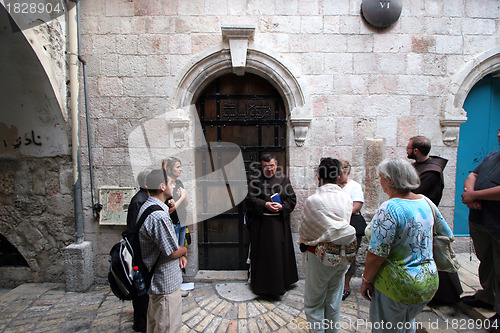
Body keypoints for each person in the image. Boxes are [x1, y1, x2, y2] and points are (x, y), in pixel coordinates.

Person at [361, 158, 453, 333]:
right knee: (407, 322)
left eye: (380, 177)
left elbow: (377, 254)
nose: (379, 182)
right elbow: (446, 234)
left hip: (398, 284)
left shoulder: (389, 208)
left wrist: (366, 280)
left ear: (389, 179)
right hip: (427, 280)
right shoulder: (425, 202)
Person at [299, 157, 357, 332]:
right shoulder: (346, 198)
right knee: (333, 301)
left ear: (318, 176)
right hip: (341, 256)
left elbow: (306, 232)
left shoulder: (313, 201)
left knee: (314, 303)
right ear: (339, 175)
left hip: (319, 256)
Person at [406, 136, 463, 305]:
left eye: (408, 148)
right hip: (418, 216)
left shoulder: (431, 171)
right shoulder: (420, 166)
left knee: (435, 254)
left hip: (425, 217)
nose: (407, 151)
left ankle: (447, 294)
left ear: (416, 150)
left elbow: (417, 192)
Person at [138, 169, 188, 333]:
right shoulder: (159, 215)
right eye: (171, 183)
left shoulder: (148, 206)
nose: (173, 185)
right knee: (167, 326)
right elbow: (172, 251)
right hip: (164, 282)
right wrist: (184, 250)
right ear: (162, 186)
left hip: (157, 280)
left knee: (156, 325)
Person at [461, 129, 500, 326]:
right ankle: (487, 296)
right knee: (487, 261)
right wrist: (469, 193)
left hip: (497, 221)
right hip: (481, 219)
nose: (499, 136)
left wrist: (475, 196)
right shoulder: (493, 155)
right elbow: (472, 175)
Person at [246, 153, 298, 296]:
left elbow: (292, 199)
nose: (270, 170)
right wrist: (265, 204)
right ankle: (261, 287)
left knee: (279, 255)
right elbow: (250, 199)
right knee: (263, 256)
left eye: (272, 166)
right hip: (262, 225)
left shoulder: (283, 179)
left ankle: (282, 284)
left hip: (279, 225)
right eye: (266, 167)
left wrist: (282, 207)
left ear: (276, 165)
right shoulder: (255, 180)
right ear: (261, 167)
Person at [126, 168, 152, 333]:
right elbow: (135, 230)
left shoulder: (144, 198)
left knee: (143, 290)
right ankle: (141, 324)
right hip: (140, 253)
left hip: (141, 252)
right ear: (145, 183)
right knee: (141, 290)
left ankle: (144, 321)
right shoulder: (139, 201)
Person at [337, 160, 365, 301]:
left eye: (340, 173)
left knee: (349, 256)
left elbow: (356, 206)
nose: (338, 176)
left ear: (347, 172)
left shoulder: (354, 186)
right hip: (336, 225)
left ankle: (346, 286)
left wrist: (338, 212)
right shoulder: (334, 186)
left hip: (350, 225)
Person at [162, 157, 189, 247]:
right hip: (173, 223)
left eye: (180, 167)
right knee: (175, 250)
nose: (180, 169)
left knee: (181, 249)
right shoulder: (166, 185)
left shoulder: (179, 182)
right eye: (178, 167)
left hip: (182, 221)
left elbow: (185, 204)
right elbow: (168, 211)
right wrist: (182, 197)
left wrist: (183, 197)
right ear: (170, 169)